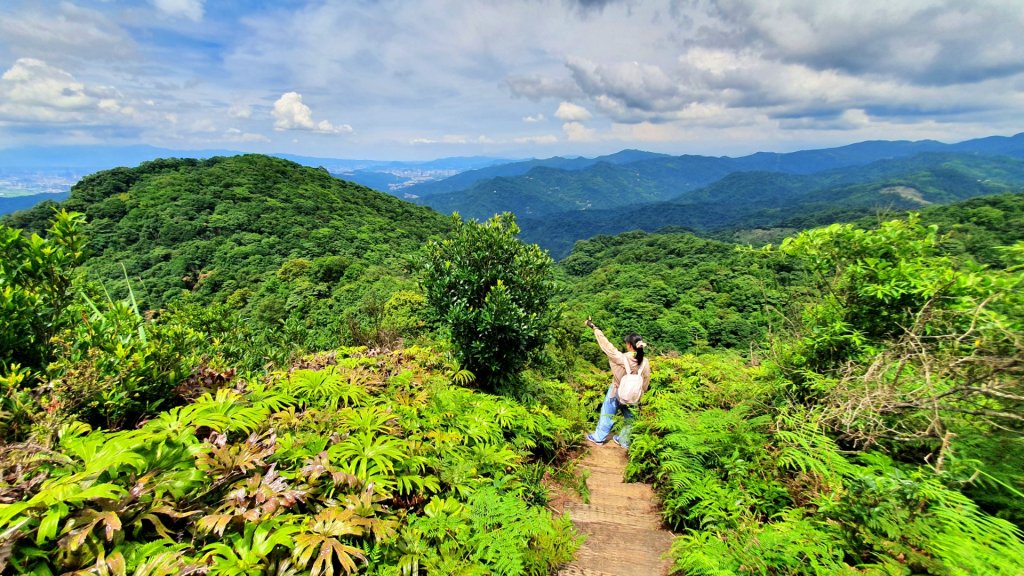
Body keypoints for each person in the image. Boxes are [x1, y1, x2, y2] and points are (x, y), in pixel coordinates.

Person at [584, 316, 651, 449]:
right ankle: (624, 440)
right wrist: (641, 393)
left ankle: (599, 437)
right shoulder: (645, 362)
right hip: (634, 395)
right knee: (630, 419)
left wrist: (594, 327)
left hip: (616, 390)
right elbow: (646, 380)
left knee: (607, 413)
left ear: (630, 345)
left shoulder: (621, 358)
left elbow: (606, 345)